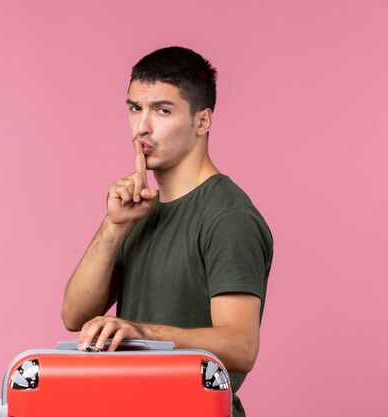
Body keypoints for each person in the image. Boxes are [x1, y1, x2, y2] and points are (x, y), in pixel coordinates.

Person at [61, 46, 273, 416]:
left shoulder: (227, 216)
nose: (142, 126)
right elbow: (74, 316)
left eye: (162, 110)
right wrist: (114, 226)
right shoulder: (139, 212)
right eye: (134, 108)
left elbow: (241, 346)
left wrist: (141, 334)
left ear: (202, 121)